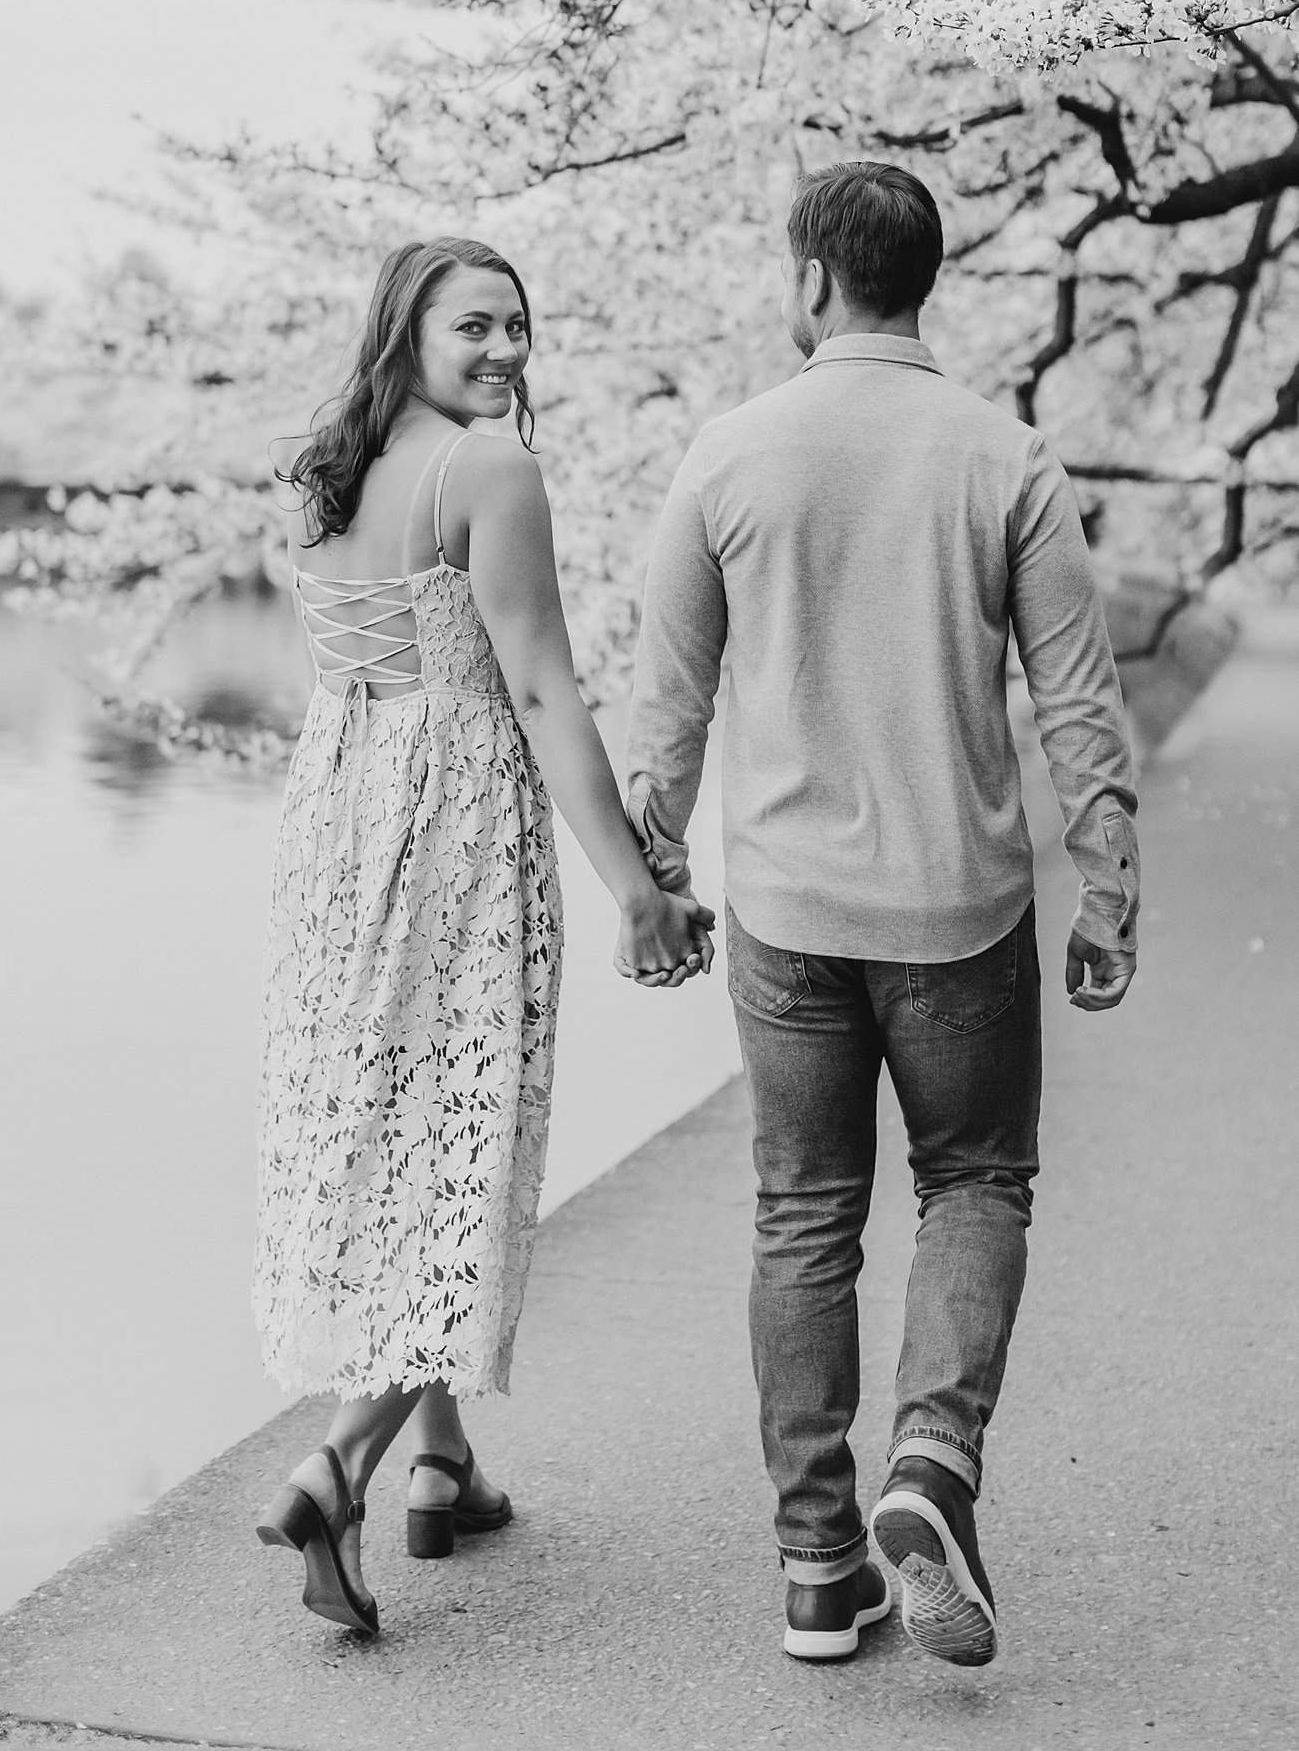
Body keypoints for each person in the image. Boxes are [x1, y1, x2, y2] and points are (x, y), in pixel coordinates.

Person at [624, 163, 1139, 1667]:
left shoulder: (727, 457)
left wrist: (659, 874)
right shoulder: (1005, 457)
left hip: (787, 911)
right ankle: (932, 1460)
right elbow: (1079, 702)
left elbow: (670, 703)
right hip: (956, 906)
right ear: (927, 282)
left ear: (808, 281)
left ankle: (816, 1567)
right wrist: (1107, 881)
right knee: (975, 1180)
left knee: (803, 1215)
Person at [251, 235, 713, 1638]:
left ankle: (444, 1461)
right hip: (455, 834)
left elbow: (354, 669)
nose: (509, 347)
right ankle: (340, 1462)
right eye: (476, 324)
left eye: (520, 322)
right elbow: (543, 694)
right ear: (406, 326)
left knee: (402, 1128)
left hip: (336, 832)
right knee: (464, 1139)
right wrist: (636, 882)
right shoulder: (488, 472)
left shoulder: (318, 471)